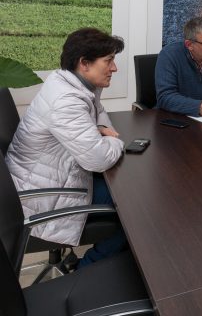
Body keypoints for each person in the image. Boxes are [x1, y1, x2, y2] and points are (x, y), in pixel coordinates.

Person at [6, 28, 127, 268]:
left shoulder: (71, 82)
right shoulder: (66, 101)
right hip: (44, 198)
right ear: (84, 63)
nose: (114, 68)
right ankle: (86, 268)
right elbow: (99, 159)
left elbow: (99, 114)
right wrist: (115, 140)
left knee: (129, 193)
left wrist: (100, 130)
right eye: (109, 61)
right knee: (135, 213)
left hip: (50, 179)